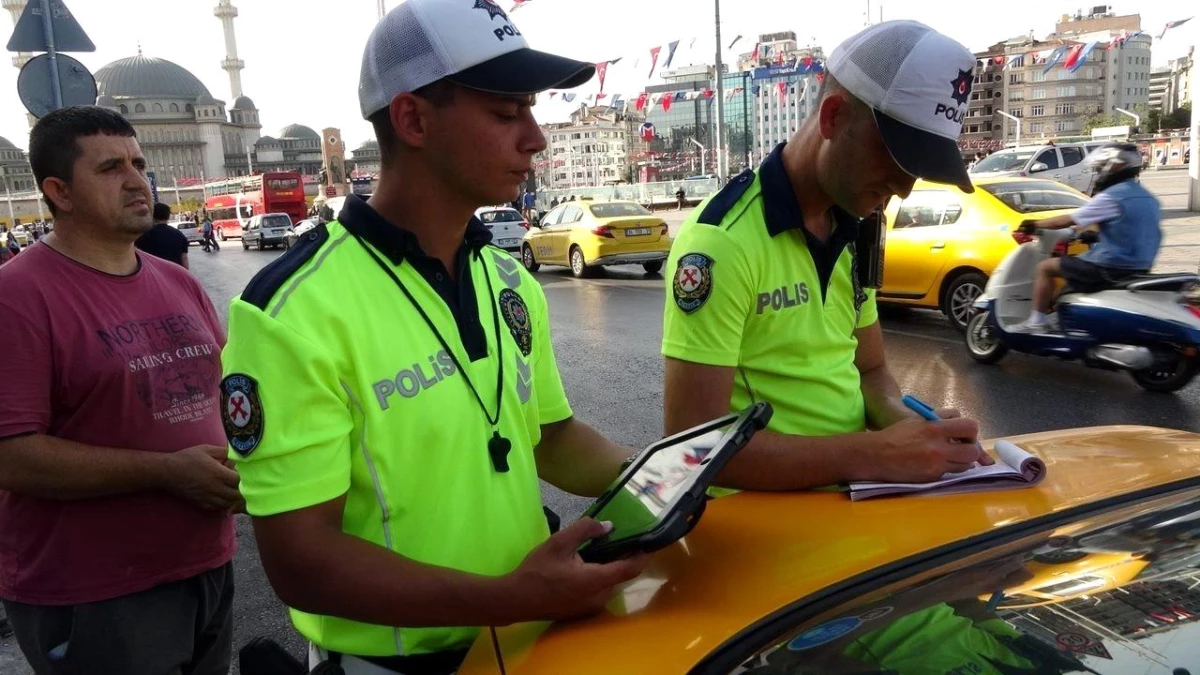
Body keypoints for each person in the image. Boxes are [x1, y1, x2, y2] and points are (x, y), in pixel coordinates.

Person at [219, 1, 648, 673]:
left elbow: (549, 437)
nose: (535, 138)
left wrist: (665, 477)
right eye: (507, 114)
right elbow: (303, 561)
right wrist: (507, 597)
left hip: (528, 639)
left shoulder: (507, 277)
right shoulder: (288, 311)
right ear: (413, 119)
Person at [661, 20, 986, 492]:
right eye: (896, 160)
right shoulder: (720, 243)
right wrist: (873, 454)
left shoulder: (856, 226)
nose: (903, 189)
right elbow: (691, 448)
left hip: (852, 505)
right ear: (833, 117)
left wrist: (910, 429)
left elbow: (870, 371)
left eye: (918, 171)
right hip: (762, 529)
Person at [0, 106, 238, 674]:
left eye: (139, 162)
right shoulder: (17, 297)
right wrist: (166, 472)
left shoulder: (177, 281)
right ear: (58, 191)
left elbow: (231, 387)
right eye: (110, 168)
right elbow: (11, 456)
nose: (137, 180)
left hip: (208, 563)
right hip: (96, 591)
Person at [1012, 143, 1161, 333]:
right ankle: (1060, 317)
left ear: (1116, 166)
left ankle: (1036, 322)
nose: (1098, 172)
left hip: (1110, 266)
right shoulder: (1148, 197)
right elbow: (1132, 230)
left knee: (1046, 268)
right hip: (1140, 266)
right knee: (1072, 270)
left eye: (1101, 167)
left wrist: (1035, 225)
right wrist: (1096, 236)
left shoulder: (1112, 196)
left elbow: (1069, 220)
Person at [135, 201, 191, 268]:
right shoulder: (179, 235)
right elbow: (184, 258)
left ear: (152, 215)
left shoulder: (143, 235)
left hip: (152, 274)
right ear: (168, 216)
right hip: (175, 273)